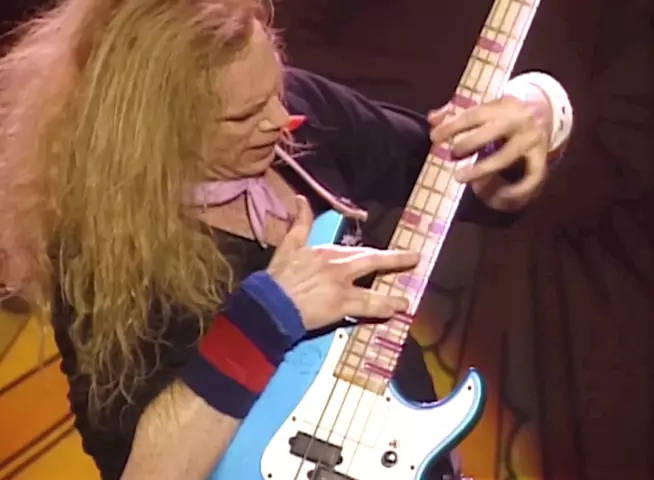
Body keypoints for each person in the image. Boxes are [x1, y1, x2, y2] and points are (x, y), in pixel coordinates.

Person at [0, 0, 573, 479]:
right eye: (243, 116)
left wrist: (538, 108)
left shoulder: (299, 112)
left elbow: (467, 184)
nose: (279, 120)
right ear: (155, 131)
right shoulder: (102, 253)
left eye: (275, 88)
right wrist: (270, 314)